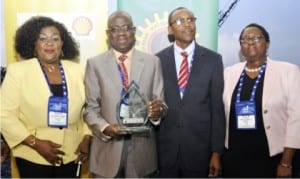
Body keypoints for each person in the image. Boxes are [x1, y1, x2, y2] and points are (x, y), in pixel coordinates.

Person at [0, 16, 91, 178]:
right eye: (43, 38)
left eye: (55, 39)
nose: (49, 43)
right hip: (31, 153)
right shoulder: (17, 71)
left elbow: (89, 108)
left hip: (71, 152)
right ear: (34, 44)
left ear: (62, 44)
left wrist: (87, 137)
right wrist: (35, 143)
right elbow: (4, 114)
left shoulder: (78, 71)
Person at [83, 11, 166, 178]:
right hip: (107, 149)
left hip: (142, 150)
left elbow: (160, 103)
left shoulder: (152, 62)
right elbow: (90, 109)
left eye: (126, 27)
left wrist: (158, 112)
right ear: (108, 34)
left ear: (134, 31)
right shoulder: (95, 64)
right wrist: (106, 128)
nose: (121, 33)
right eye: (114, 29)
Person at [222, 23, 300, 178]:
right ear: (241, 46)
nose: (250, 42)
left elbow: (296, 119)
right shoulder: (229, 73)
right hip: (234, 158)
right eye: (245, 39)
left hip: (273, 158)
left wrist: (286, 162)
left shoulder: (288, 71)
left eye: (257, 38)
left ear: (267, 44)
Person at [155, 7, 225, 178]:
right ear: (170, 29)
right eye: (180, 21)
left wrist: (216, 152)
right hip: (166, 152)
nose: (187, 24)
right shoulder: (157, 60)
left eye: (191, 20)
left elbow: (217, 110)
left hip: (200, 152)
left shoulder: (213, 60)